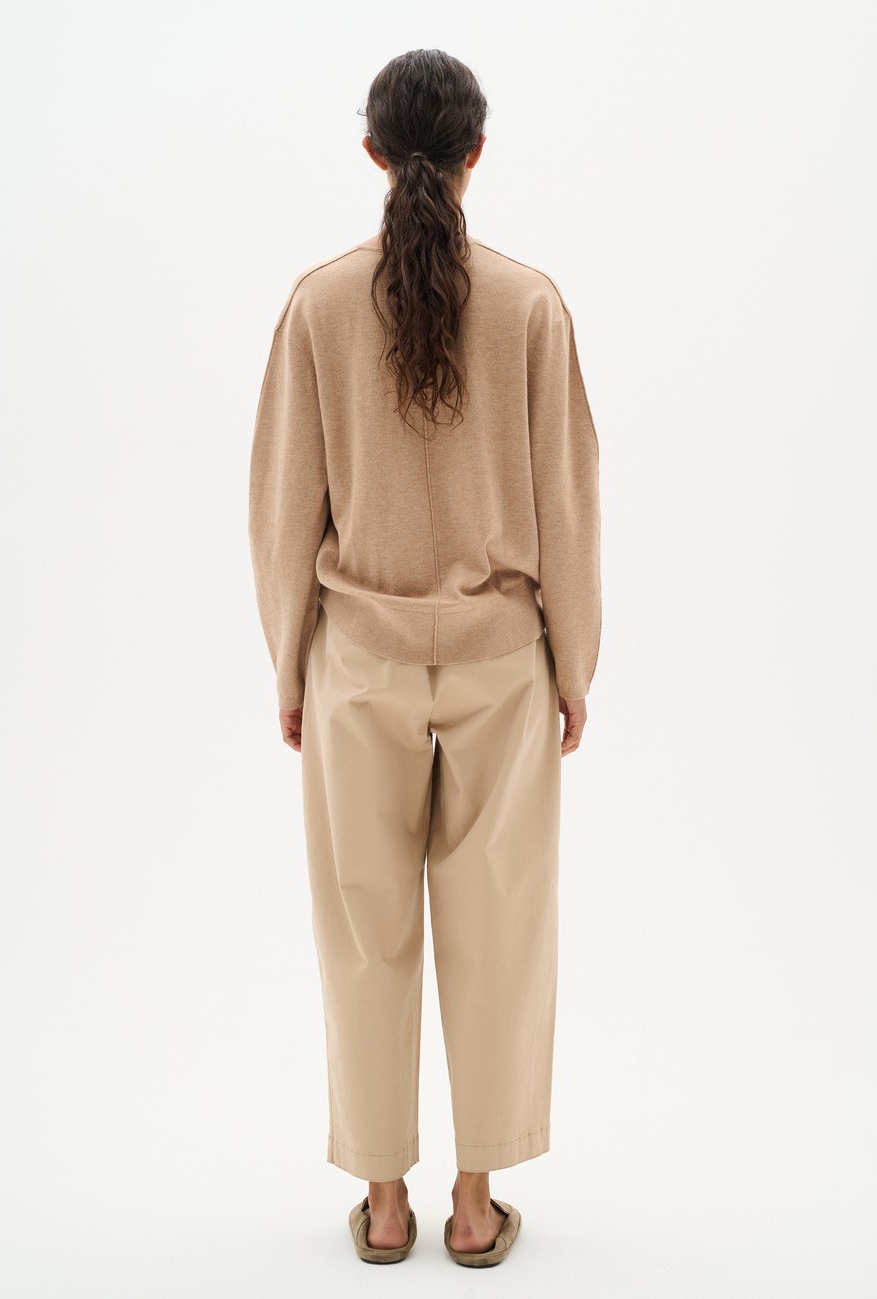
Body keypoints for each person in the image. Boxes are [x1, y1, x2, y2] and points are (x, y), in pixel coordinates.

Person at [248, 48, 602, 1268]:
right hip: (503, 664)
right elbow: (569, 505)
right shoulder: (531, 306)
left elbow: (283, 509)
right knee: (499, 930)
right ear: (475, 155)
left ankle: (385, 1202)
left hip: (359, 664)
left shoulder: (317, 305)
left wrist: (289, 668)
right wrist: (575, 666)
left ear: (371, 152)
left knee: (366, 932)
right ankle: (474, 1204)